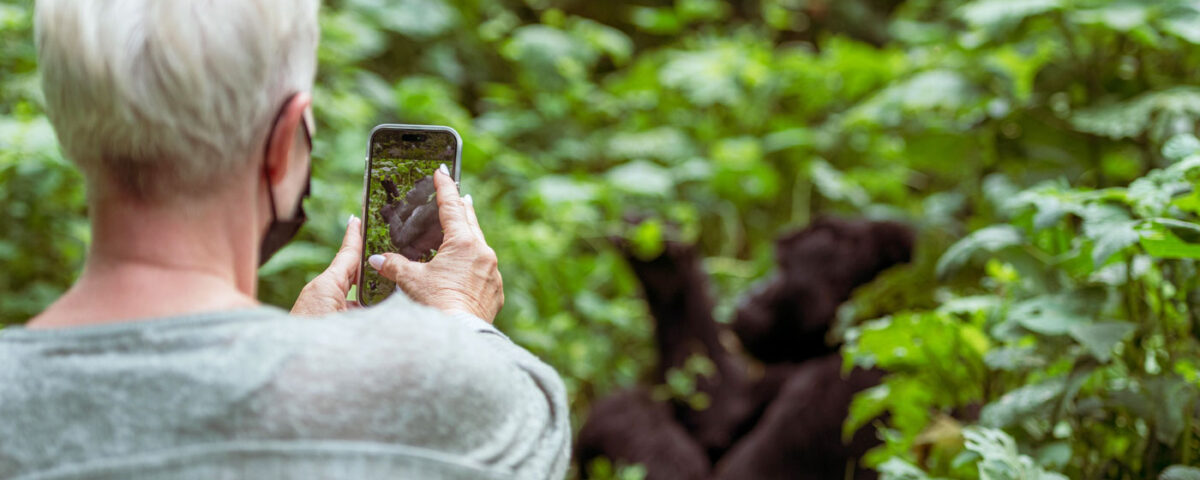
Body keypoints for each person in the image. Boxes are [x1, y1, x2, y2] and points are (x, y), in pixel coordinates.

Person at [0, 1, 570, 479]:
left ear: (64, 123)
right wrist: (461, 321)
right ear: (284, 143)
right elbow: (537, 432)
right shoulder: (437, 400)